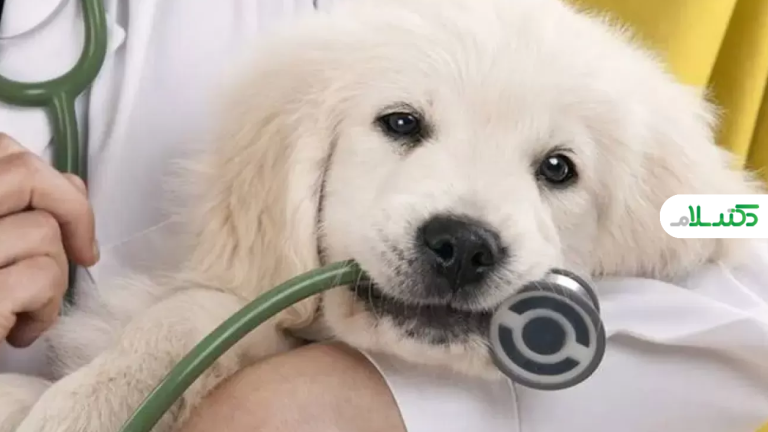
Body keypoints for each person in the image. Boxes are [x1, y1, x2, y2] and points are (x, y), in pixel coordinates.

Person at [2, 1, 768, 432]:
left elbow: (744, 223)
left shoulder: (660, 160)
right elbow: (239, 279)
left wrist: (352, 398)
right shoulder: (314, 77)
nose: (466, 236)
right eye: (403, 125)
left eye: (557, 169)